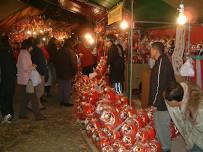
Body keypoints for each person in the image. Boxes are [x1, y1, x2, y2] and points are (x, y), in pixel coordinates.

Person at [148, 42, 176, 152]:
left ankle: (165, 148)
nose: (150, 52)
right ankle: (163, 146)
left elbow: (159, 86)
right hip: (163, 100)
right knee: (160, 125)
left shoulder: (161, 64)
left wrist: (155, 103)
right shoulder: (161, 61)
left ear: (155, 51)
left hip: (162, 102)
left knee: (162, 126)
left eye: (151, 49)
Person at [164, 81, 203, 152]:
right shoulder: (181, 96)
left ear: (174, 101)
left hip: (199, 143)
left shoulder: (199, 110)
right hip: (192, 139)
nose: (167, 104)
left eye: (168, 102)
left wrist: (192, 143)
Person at [17, 39, 45, 120]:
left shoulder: (22, 53)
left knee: (25, 98)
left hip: (23, 79)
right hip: (26, 80)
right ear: (28, 46)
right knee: (34, 98)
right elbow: (26, 68)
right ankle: (38, 115)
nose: (32, 48)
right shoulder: (25, 54)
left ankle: (22, 114)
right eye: (31, 46)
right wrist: (33, 66)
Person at [55, 38, 77, 106]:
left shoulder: (60, 50)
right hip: (68, 72)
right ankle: (66, 101)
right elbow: (73, 63)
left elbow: (56, 61)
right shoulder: (70, 51)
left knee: (61, 86)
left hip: (60, 71)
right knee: (67, 87)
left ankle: (61, 100)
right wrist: (74, 71)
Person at [0, 35, 17, 123]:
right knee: (8, 97)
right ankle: (8, 114)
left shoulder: (5, 52)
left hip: (5, 79)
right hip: (7, 79)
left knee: (4, 97)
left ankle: (6, 114)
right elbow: (10, 67)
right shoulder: (7, 53)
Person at [31, 37, 48, 109]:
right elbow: (39, 62)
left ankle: (36, 104)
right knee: (40, 90)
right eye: (42, 42)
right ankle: (33, 104)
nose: (43, 44)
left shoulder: (35, 50)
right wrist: (43, 71)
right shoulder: (37, 51)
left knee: (38, 90)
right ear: (39, 43)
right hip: (39, 72)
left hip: (38, 71)